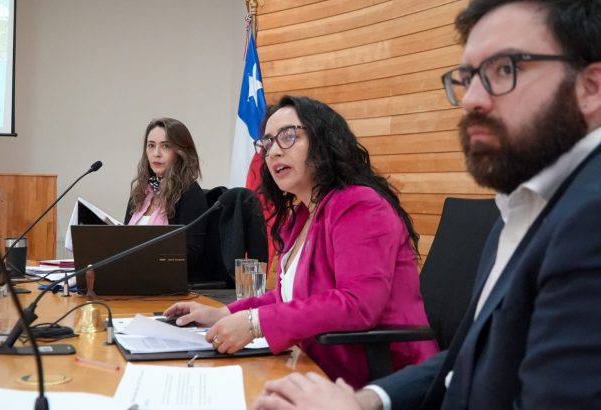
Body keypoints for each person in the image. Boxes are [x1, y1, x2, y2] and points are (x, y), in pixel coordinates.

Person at [252, 0, 601, 408]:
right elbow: (463, 362)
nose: (471, 99)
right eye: (468, 77)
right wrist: (368, 401)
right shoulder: (518, 212)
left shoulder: (589, 221)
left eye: (504, 70)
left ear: (591, 88)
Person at [164, 95, 438, 388]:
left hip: (382, 379)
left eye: (288, 136)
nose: (273, 152)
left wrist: (256, 323)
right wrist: (222, 313)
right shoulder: (303, 216)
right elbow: (289, 296)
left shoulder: (359, 204)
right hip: (319, 367)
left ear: (323, 141)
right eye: (267, 143)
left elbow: (358, 304)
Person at [125, 117, 208, 280]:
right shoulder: (140, 192)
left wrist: (147, 256)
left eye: (165, 146)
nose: (156, 153)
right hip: (130, 278)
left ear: (181, 152)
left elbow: (191, 253)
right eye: (151, 145)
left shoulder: (190, 193)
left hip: (166, 283)